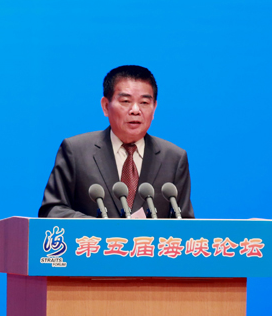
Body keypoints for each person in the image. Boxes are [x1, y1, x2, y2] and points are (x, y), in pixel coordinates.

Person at [38, 65, 194, 218]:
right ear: (106, 106)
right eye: (126, 101)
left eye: (144, 103)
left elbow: (185, 223)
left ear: (154, 109)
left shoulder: (173, 158)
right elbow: (52, 210)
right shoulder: (76, 151)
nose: (135, 110)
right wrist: (101, 229)